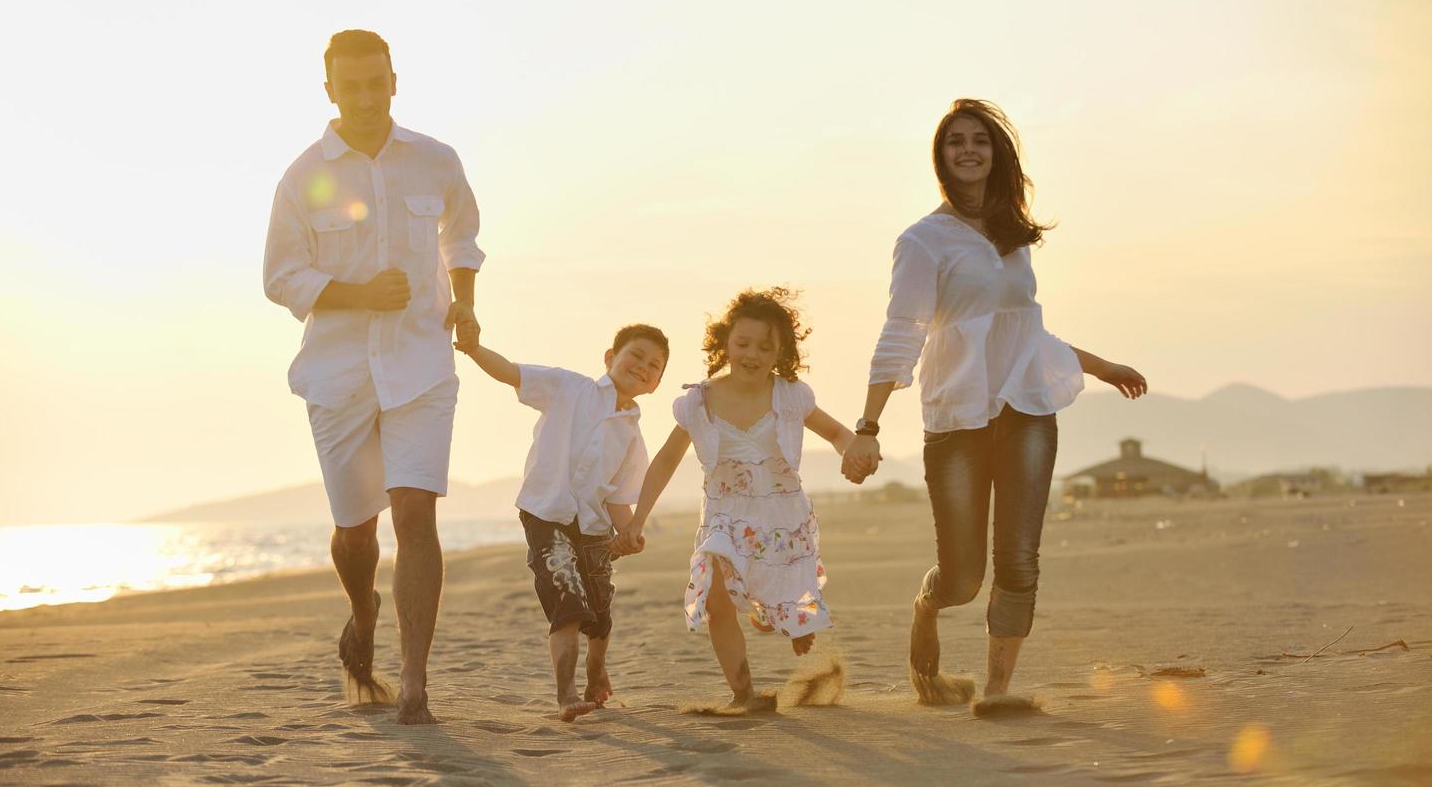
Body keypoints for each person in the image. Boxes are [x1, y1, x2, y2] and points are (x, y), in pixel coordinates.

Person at [842, 99, 1147, 715]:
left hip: (1026, 406)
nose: (968, 150)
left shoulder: (1014, 236)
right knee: (962, 576)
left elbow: (1023, 331)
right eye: (955, 141)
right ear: (941, 156)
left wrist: (1100, 366)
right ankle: (926, 607)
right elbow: (903, 330)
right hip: (956, 415)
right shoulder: (923, 240)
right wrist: (867, 426)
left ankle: (999, 689)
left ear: (997, 152)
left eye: (979, 139)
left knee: (1019, 556)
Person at [263, 30, 484, 725]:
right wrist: (359, 294)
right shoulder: (303, 177)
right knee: (357, 532)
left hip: (422, 363)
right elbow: (279, 276)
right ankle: (363, 612)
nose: (364, 96)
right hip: (339, 373)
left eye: (375, 82)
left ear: (394, 81)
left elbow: (464, 236)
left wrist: (466, 306)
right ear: (329, 90)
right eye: (349, 85)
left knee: (417, 515)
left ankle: (415, 683)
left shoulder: (435, 160)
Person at [617, 288, 855, 713]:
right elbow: (667, 460)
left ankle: (788, 617)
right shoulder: (700, 402)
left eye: (766, 347)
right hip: (725, 516)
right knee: (715, 596)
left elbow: (838, 434)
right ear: (724, 343)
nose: (752, 354)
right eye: (743, 343)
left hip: (781, 515)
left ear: (782, 351)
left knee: (782, 598)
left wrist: (855, 450)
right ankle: (744, 693)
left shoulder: (790, 396)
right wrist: (637, 521)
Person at [460, 325, 668, 721]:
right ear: (610, 357)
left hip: (593, 528)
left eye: (653, 365)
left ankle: (596, 670)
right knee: (568, 601)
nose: (642, 367)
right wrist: (473, 348)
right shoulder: (568, 388)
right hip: (546, 514)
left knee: (600, 611)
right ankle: (566, 693)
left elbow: (617, 499)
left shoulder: (633, 436)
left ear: (656, 384)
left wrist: (629, 534)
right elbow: (511, 372)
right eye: (636, 355)